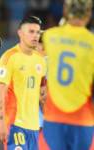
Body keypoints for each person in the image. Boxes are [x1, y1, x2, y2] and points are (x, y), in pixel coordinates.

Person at [39, 0, 94, 150]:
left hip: (53, 116)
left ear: (65, 10)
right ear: (89, 14)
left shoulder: (49, 36)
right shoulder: (92, 42)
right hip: (82, 117)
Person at [0, 16, 47, 150]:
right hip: (15, 124)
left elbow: (42, 92)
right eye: (31, 31)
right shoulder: (9, 57)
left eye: (37, 32)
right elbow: (0, 93)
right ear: (20, 33)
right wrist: (1, 122)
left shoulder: (40, 60)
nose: (35, 36)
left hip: (34, 127)